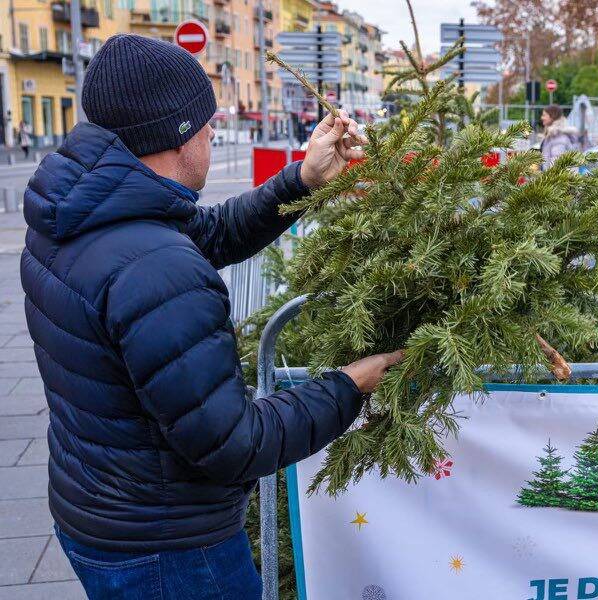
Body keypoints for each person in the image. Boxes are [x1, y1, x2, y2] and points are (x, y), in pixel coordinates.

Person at [21, 34, 402, 599]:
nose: (213, 134)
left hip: (99, 513)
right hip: (170, 552)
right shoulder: (157, 266)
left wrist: (302, 179)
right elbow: (232, 443)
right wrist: (349, 385)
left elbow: (209, 234)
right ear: (177, 135)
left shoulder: (77, 213)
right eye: (207, 124)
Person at [539, 104, 578, 170]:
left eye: (544, 115)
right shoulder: (552, 134)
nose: (542, 118)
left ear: (552, 116)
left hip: (555, 175)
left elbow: (556, 162)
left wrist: (548, 175)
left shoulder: (558, 136)